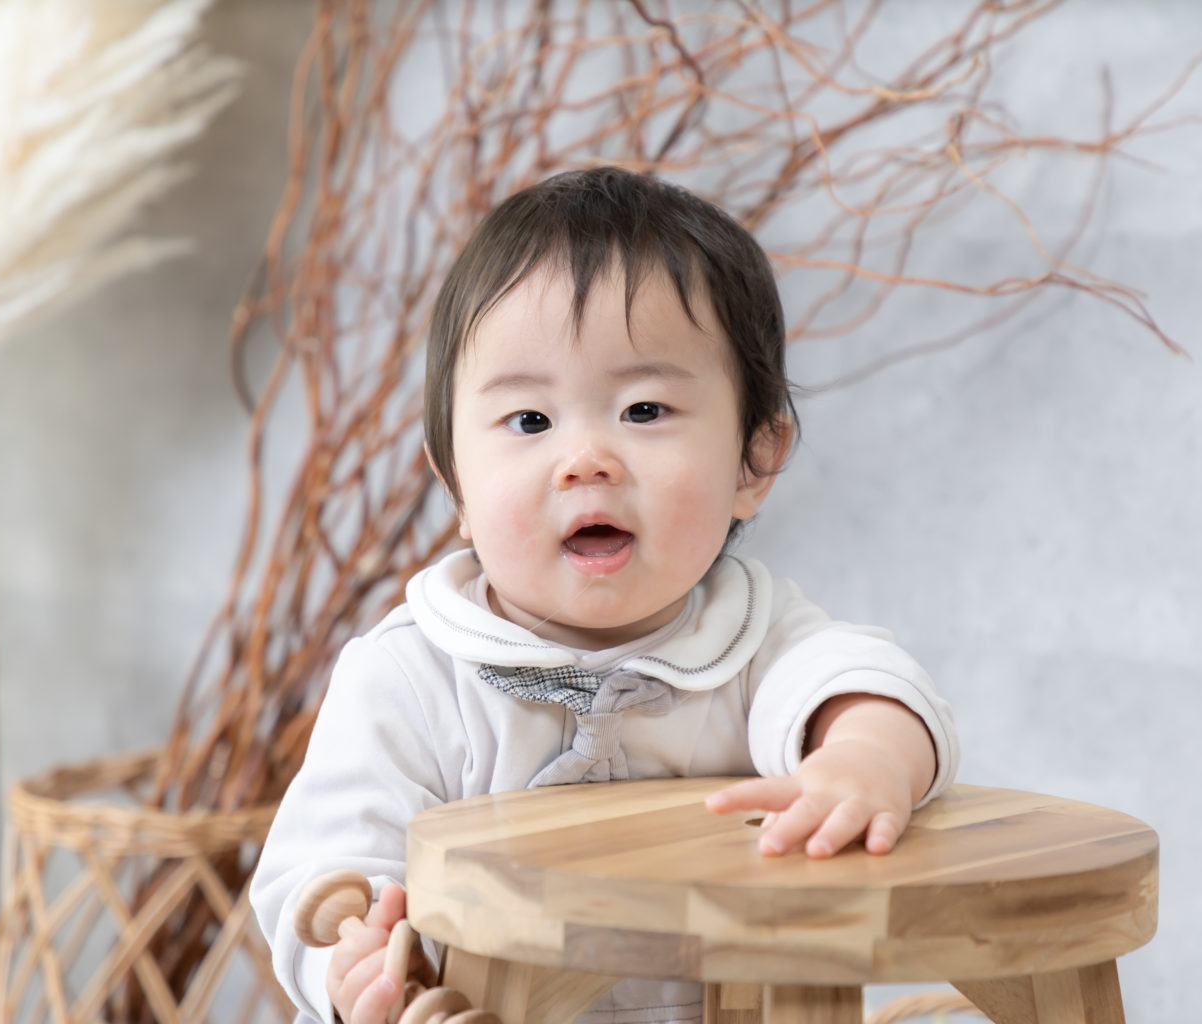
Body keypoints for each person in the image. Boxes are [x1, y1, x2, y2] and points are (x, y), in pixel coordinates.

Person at [250, 166, 959, 1024]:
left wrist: (865, 760)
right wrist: (351, 961)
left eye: (644, 410)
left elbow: (863, 682)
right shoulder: (411, 677)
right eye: (530, 421)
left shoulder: (753, 643)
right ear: (457, 486)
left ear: (754, 460)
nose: (585, 460)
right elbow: (319, 869)